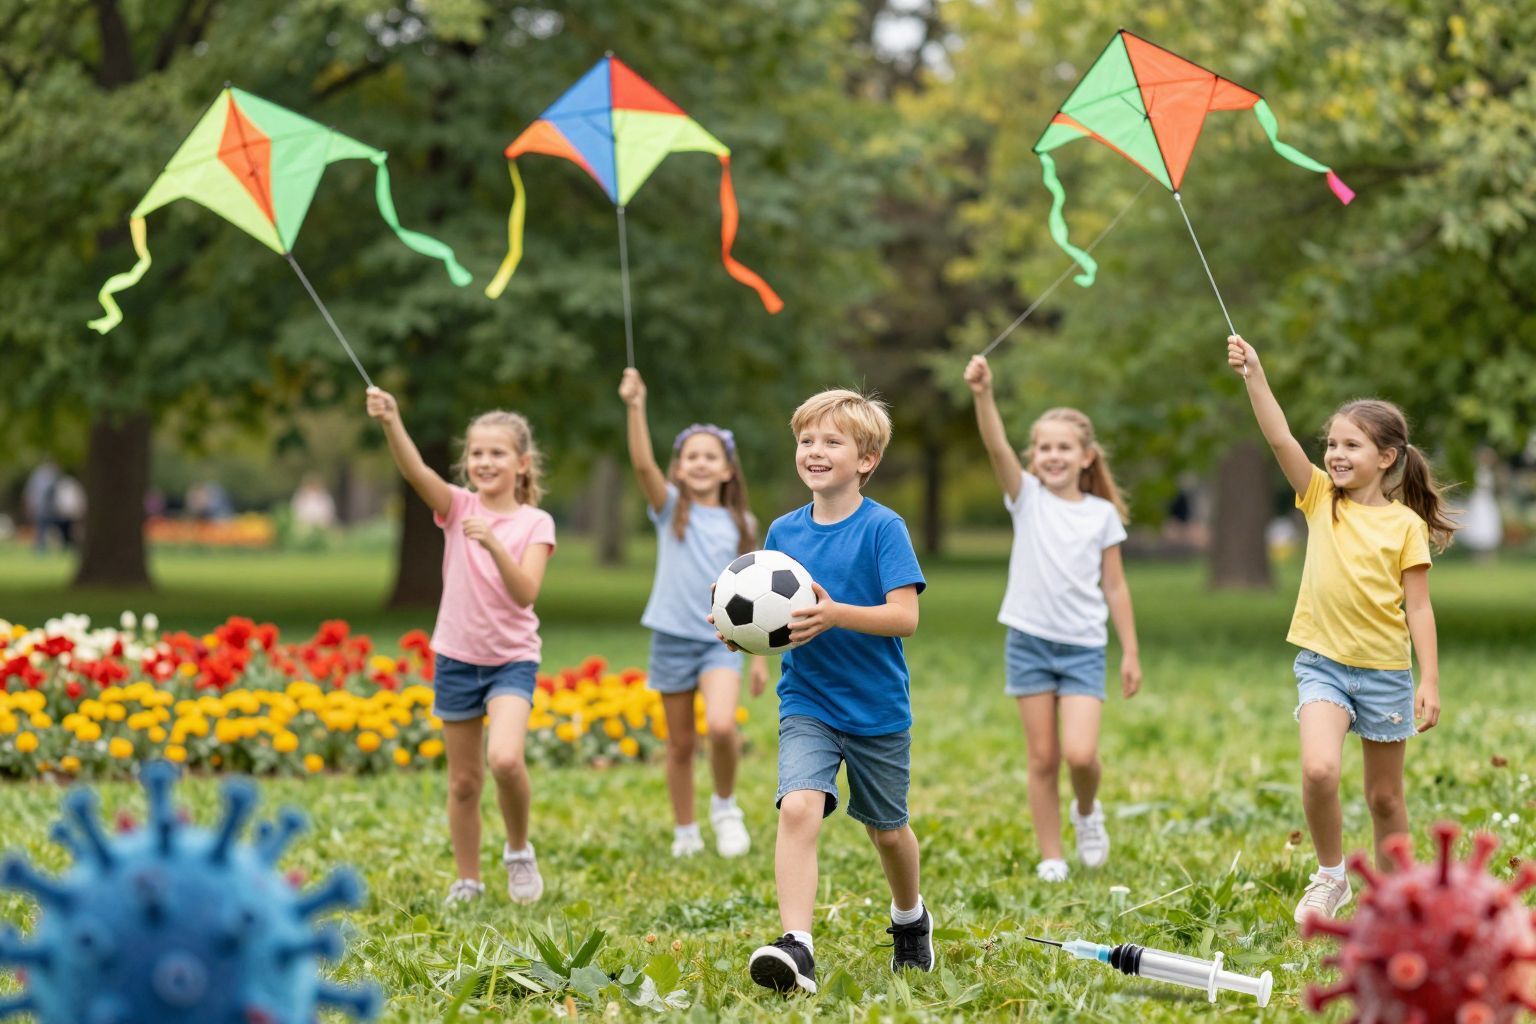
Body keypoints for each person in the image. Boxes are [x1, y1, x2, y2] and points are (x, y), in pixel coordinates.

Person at [1227, 335, 1454, 928]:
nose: (1335, 453)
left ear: (1388, 457)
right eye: (1331, 443)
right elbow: (1279, 435)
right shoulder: (1319, 497)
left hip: (1384, 673)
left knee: (1384, 798)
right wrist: (1255, 372)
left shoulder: (1405, 526)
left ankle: (1397, 903)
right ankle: (1331, 876)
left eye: (1351, 444)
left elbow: (1420, 610)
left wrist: (1428, 679)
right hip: (1323, 663)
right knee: (1319, 770)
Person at [724, 388, 930, 995]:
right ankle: (798, 947)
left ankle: (909, 919)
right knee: (797, 807)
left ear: (865, 459)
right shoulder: (784, 530)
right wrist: (745, 635)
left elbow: (904, 619)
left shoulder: (882, 529)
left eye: (831, 441)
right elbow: (778, 617)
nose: (815, 451)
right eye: (806, 440)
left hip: (876, 708)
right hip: (808, 701)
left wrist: (836, 612)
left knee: (888, 831)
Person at [367, 386, 555, 906]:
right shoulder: (457, 507)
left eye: (496, 453)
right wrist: (392, 421)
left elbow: (526, 594)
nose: (484, 461)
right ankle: (468, 880)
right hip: (455, 657)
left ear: (521, 463)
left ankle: (518, 850)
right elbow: (416, 473)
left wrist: (492, 541)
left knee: (506, 760)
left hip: (512, 660)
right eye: (476, 453)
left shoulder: (534, 523)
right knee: (465, 783)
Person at [963, 354, 1141, 885]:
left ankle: (1087, 811)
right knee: (1043, 758)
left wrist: (1130, 651)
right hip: (1029, 643)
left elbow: (1115, 585)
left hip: (1083, 646)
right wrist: (983, 394)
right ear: (1033, 457)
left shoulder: (1101, 515)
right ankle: (1051, 856)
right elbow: (995, 445)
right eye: (1044, 447)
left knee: (1081, 755)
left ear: (1086, 457)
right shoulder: (1027, 498)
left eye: (1064, 447)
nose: (1053, 455)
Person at [619, 368, 765, 859]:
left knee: (721, 727)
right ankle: (686, 830)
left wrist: (761, 658)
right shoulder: (670, 508)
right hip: (670, 637)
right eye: (691, 456)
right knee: (680, 745)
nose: (700, 464)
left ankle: (725, 806)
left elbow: (765, 598)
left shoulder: (742, 523)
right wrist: (636, 406)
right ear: (678, 468)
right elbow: (641, 466)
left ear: (727, 469)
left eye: (711, 456)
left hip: (721, 641)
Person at [23, 459, 59, 553]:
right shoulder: (45, 477)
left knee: (43, 528)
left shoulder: (46, 477)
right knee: (41, 528)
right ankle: (40, 548)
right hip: (42, 508)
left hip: (45, 508)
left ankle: (42, 547)